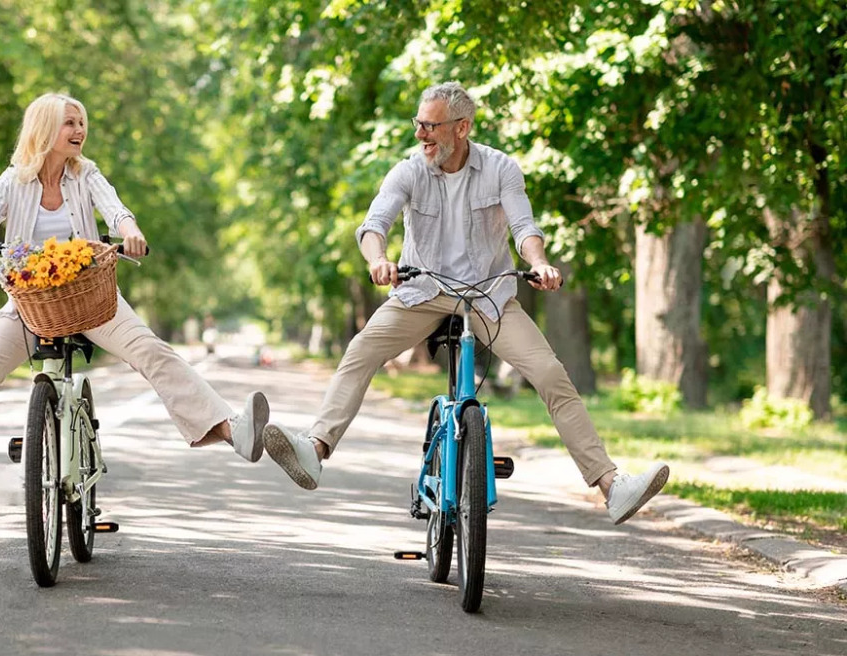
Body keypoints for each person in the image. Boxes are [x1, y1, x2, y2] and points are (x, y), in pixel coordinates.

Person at [261, 82, 669, 525]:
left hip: (488, 296)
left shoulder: (501, 169)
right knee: (362, 349)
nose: (420, 134)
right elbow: (374, 223)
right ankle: (316, 448)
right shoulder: (408, 171)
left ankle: (612, 485)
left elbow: (524, 227)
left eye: (430, 126)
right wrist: (378, 260)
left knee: (551, 374)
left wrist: (539, 263)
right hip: (423, 292)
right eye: (418, 123)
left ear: (462, 128)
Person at [0, 93, 269, 517]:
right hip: (31, 304)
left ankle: (232, 430)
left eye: (81, 123)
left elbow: (116, 211)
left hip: (92, 299)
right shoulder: (14, 181)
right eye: (69, 123)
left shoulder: (85, 174)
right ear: (45, 129)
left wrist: (130, 231)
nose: (79, 130)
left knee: (152, 351)